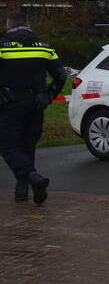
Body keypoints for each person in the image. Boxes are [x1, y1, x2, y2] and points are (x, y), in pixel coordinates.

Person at [0, 11, 66, 205]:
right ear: (29, 25)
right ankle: (24, 189)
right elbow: (61, 75)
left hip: (9, 102)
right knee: (28, 144)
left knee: (8, 145)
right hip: (36, 103)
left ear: (7, 25)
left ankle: (32, 177)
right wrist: (49, 95)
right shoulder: (43, 45)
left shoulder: (2, 44)